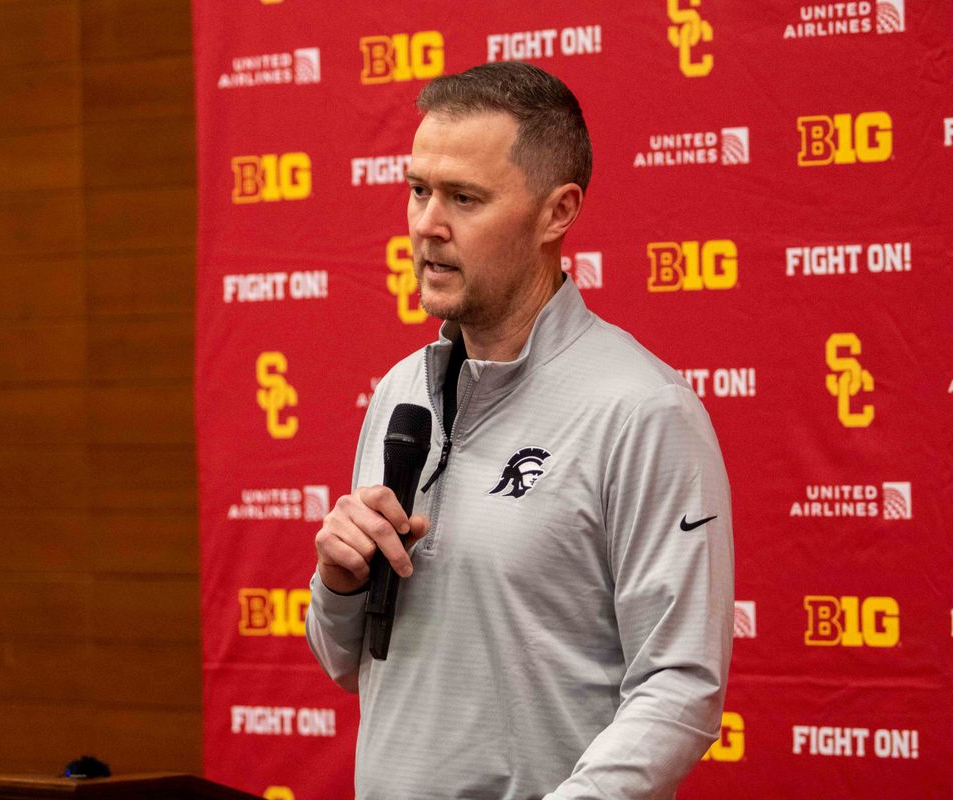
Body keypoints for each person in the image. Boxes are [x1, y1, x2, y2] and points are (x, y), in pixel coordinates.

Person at [305, 62, 733, 800]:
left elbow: (679, 687)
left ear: (557, 212)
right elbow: (350, 664)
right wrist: (339, 586)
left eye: (464, 198)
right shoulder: (402, 392)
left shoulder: (643, 410)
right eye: (418, 190)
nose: (425, 225)